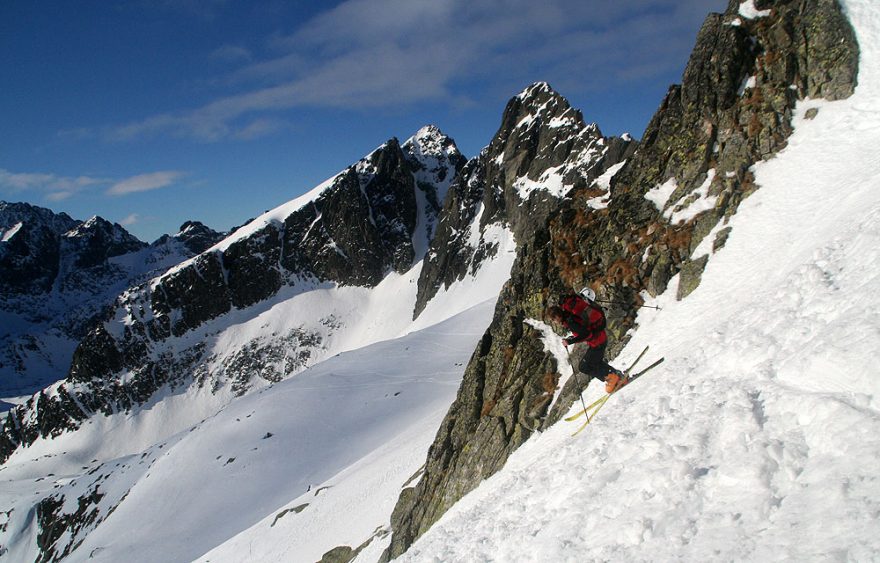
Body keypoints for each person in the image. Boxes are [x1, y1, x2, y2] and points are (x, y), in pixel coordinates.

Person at [546, 288, 628, 394]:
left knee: (584, 367)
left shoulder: (570, 321)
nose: (554, 322)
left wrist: (570, 342)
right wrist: (571, 339)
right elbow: (582, 331)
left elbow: (586, 334)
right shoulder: (569, 318)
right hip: (599, 339)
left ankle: (613, 378)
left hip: (598, 342)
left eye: (553, 319)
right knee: (593, 363)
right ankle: (617, 377)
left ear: (557, 316)